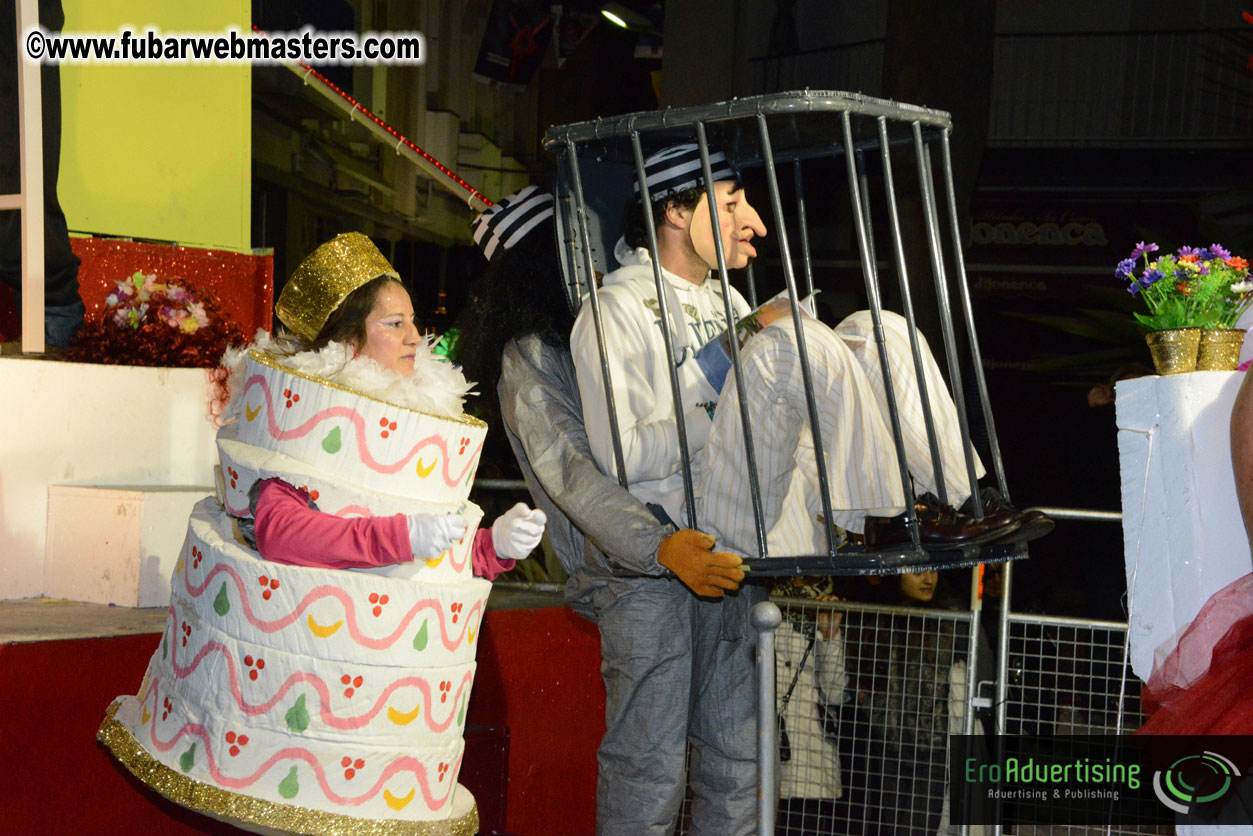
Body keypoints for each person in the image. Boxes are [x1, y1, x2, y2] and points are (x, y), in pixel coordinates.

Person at [569, 142, 1040, 564]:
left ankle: (963, 500)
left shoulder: (728, 301)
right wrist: (719, 402)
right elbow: (622, 459)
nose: (755, 222)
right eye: (732, 204)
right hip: (698, 520)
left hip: (777, 494)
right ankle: (887, 514)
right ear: (675, 211)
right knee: (785, 346)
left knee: (878, 330)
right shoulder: (613, 310)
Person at [455, 185, 752, 836]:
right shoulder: (532, 356)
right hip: (638, 578)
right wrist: (658, 547)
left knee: (738, 760)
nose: (590, 258)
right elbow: (571, 475)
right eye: (571, 244)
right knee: (649, 769)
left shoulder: (618, 320)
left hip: (710, 555)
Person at [230, 231, 546, 576]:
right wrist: (397, 538)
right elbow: (281, 534)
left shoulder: (420, 420)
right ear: (348, 340)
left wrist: (491, 546)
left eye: (412, 320)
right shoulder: (305, 414)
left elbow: (425, 558)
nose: (414, 336)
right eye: (395, 324)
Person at [845, 570, 990, 836]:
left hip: (931, 747)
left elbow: (980, 676)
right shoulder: (878, 615)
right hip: (888, 744)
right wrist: (874, 712)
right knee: (890, 824)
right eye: (917, 572)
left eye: (933, 571)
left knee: (918, 826)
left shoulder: (951, 619)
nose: (928, 579)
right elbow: (859, 675)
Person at [770, 576, 850, 835]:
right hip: (764, 746)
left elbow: (835, 693)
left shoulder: (828, 606)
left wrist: (830, 636)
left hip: (811, 755)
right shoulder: (764, 603)